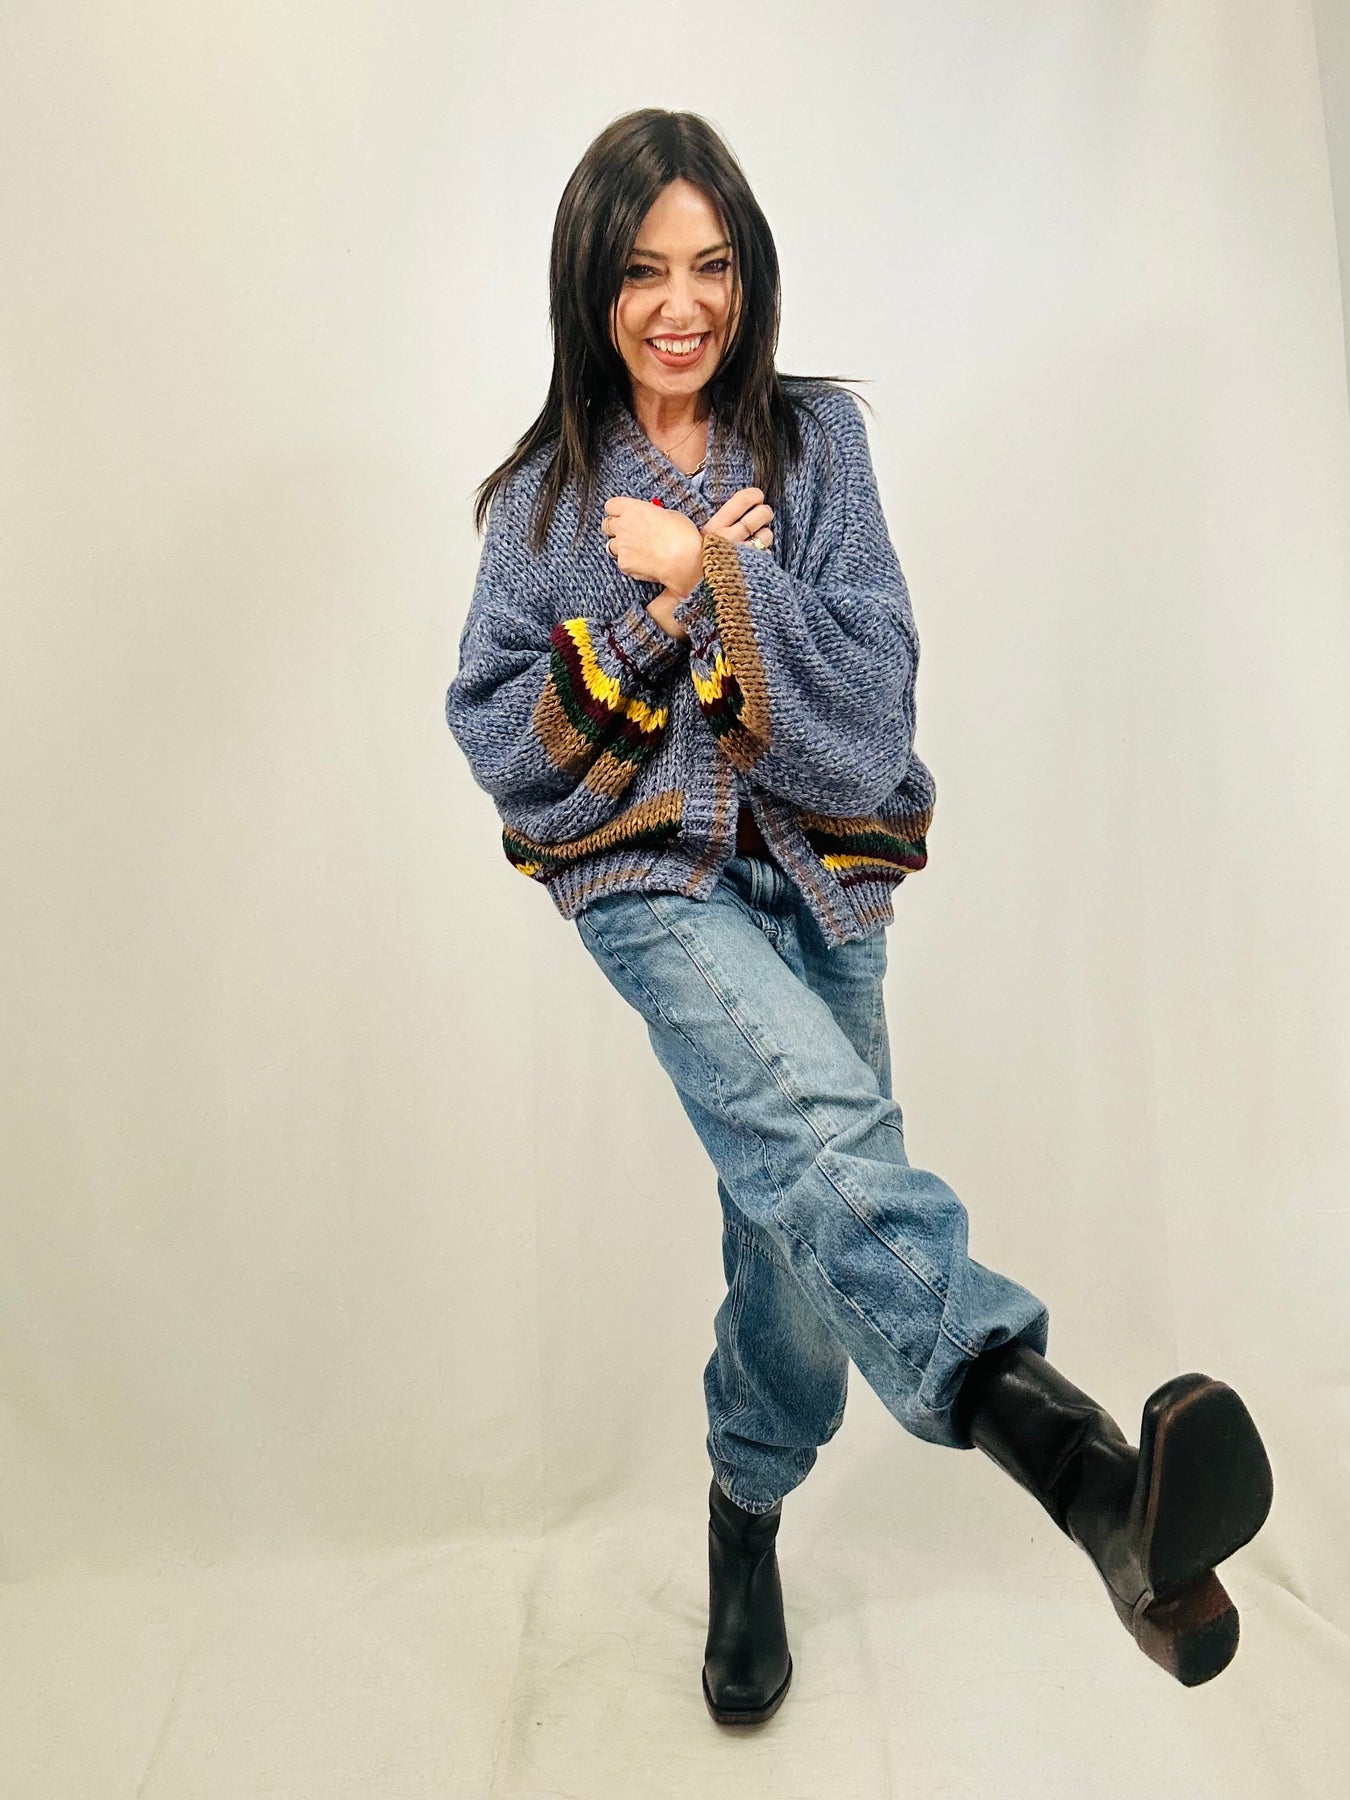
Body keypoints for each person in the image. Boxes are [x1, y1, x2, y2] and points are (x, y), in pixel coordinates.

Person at [445, 107, 1274, 1725]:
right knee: (820, 1135)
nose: (680, 305)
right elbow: (507, 752)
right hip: (647, 880)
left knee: (799, 1246)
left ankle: (741, 1512)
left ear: (747, 274)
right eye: (641, 272)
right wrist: (663, 606)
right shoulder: (541, 504)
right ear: (588, 286)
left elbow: (867, 722)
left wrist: (716, 578)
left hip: (827, 879)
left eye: (711, 266)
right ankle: (1084, 1473)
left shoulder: (817, 449)